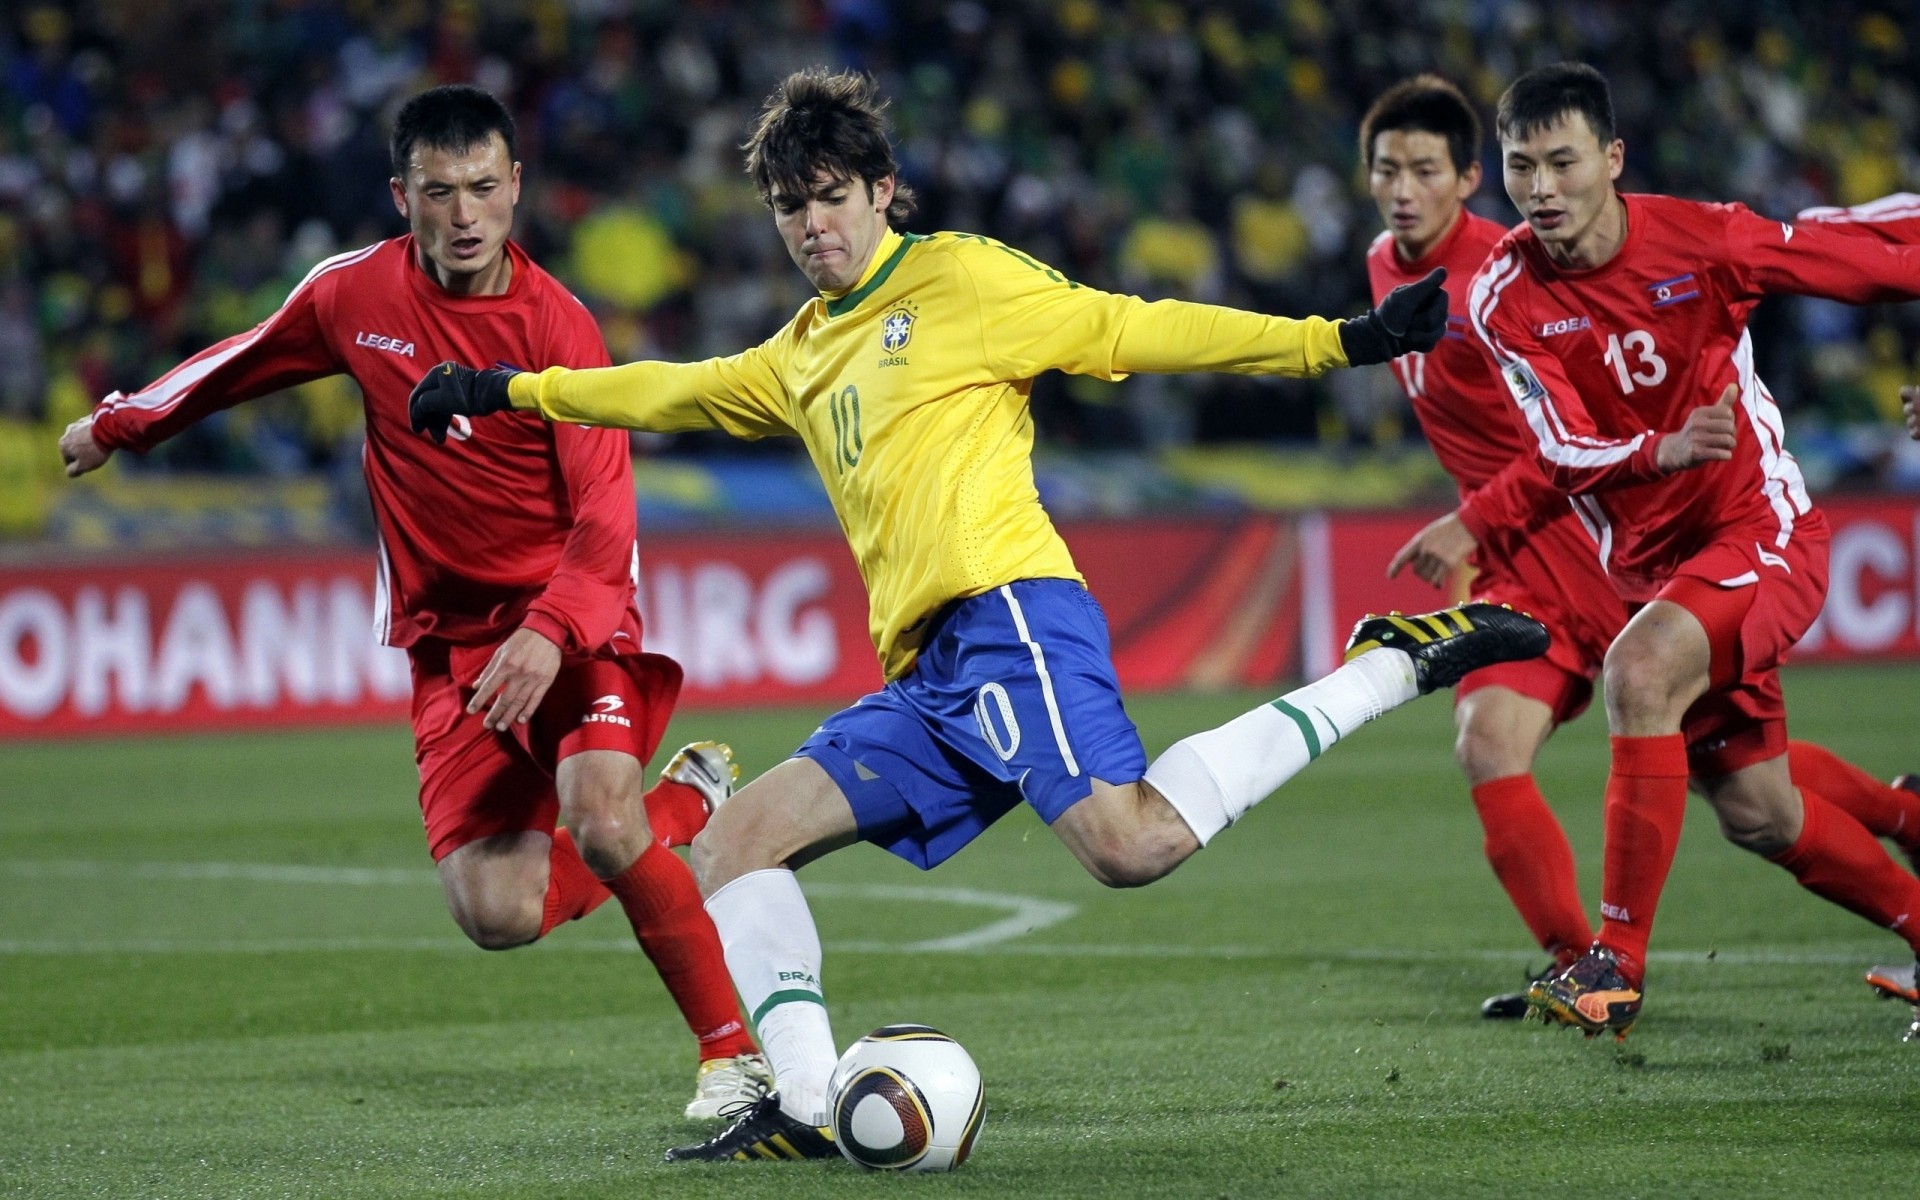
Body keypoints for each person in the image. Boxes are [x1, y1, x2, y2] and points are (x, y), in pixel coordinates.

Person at [409, 67, 1551, 1162]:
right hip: (926, 677)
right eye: (791, 208)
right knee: (731, 844)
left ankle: (1390, 667)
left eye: (833, 200)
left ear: (882, 192)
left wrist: (1337, 340)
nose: (815, 228)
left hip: (1009, 618)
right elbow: (664, 387)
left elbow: (1132, 327)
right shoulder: (799, 355)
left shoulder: (960, 282)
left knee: (1130, 843)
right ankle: (807, 1104)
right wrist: (505, 387)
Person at [56, 84, 775, 1114]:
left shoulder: (560, 327)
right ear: (403, 195)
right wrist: (121, 425)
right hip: (450, 645)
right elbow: (240, 363)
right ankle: (686, 803)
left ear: (517, 186)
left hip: (572, 624)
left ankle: (731, 1063)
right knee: (497, 912)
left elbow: (607, 524)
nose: (467, 214)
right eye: (441, 192)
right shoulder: (354, 296)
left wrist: (549, 629)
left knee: (602, 823)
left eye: (485, 187)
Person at [1362, 77, 1920, 1020]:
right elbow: (1560, 447)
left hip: (1757, 527)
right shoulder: (1504, 294)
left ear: (1612, 161)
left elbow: (1871, 253)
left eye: (1563, 162)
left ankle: (1609, 962)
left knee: (1640, 670)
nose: (1541, 188)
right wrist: (1657, 449)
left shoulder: (1704, 239)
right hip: (1648, 563)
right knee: (1757, 809)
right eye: (1523, 167)